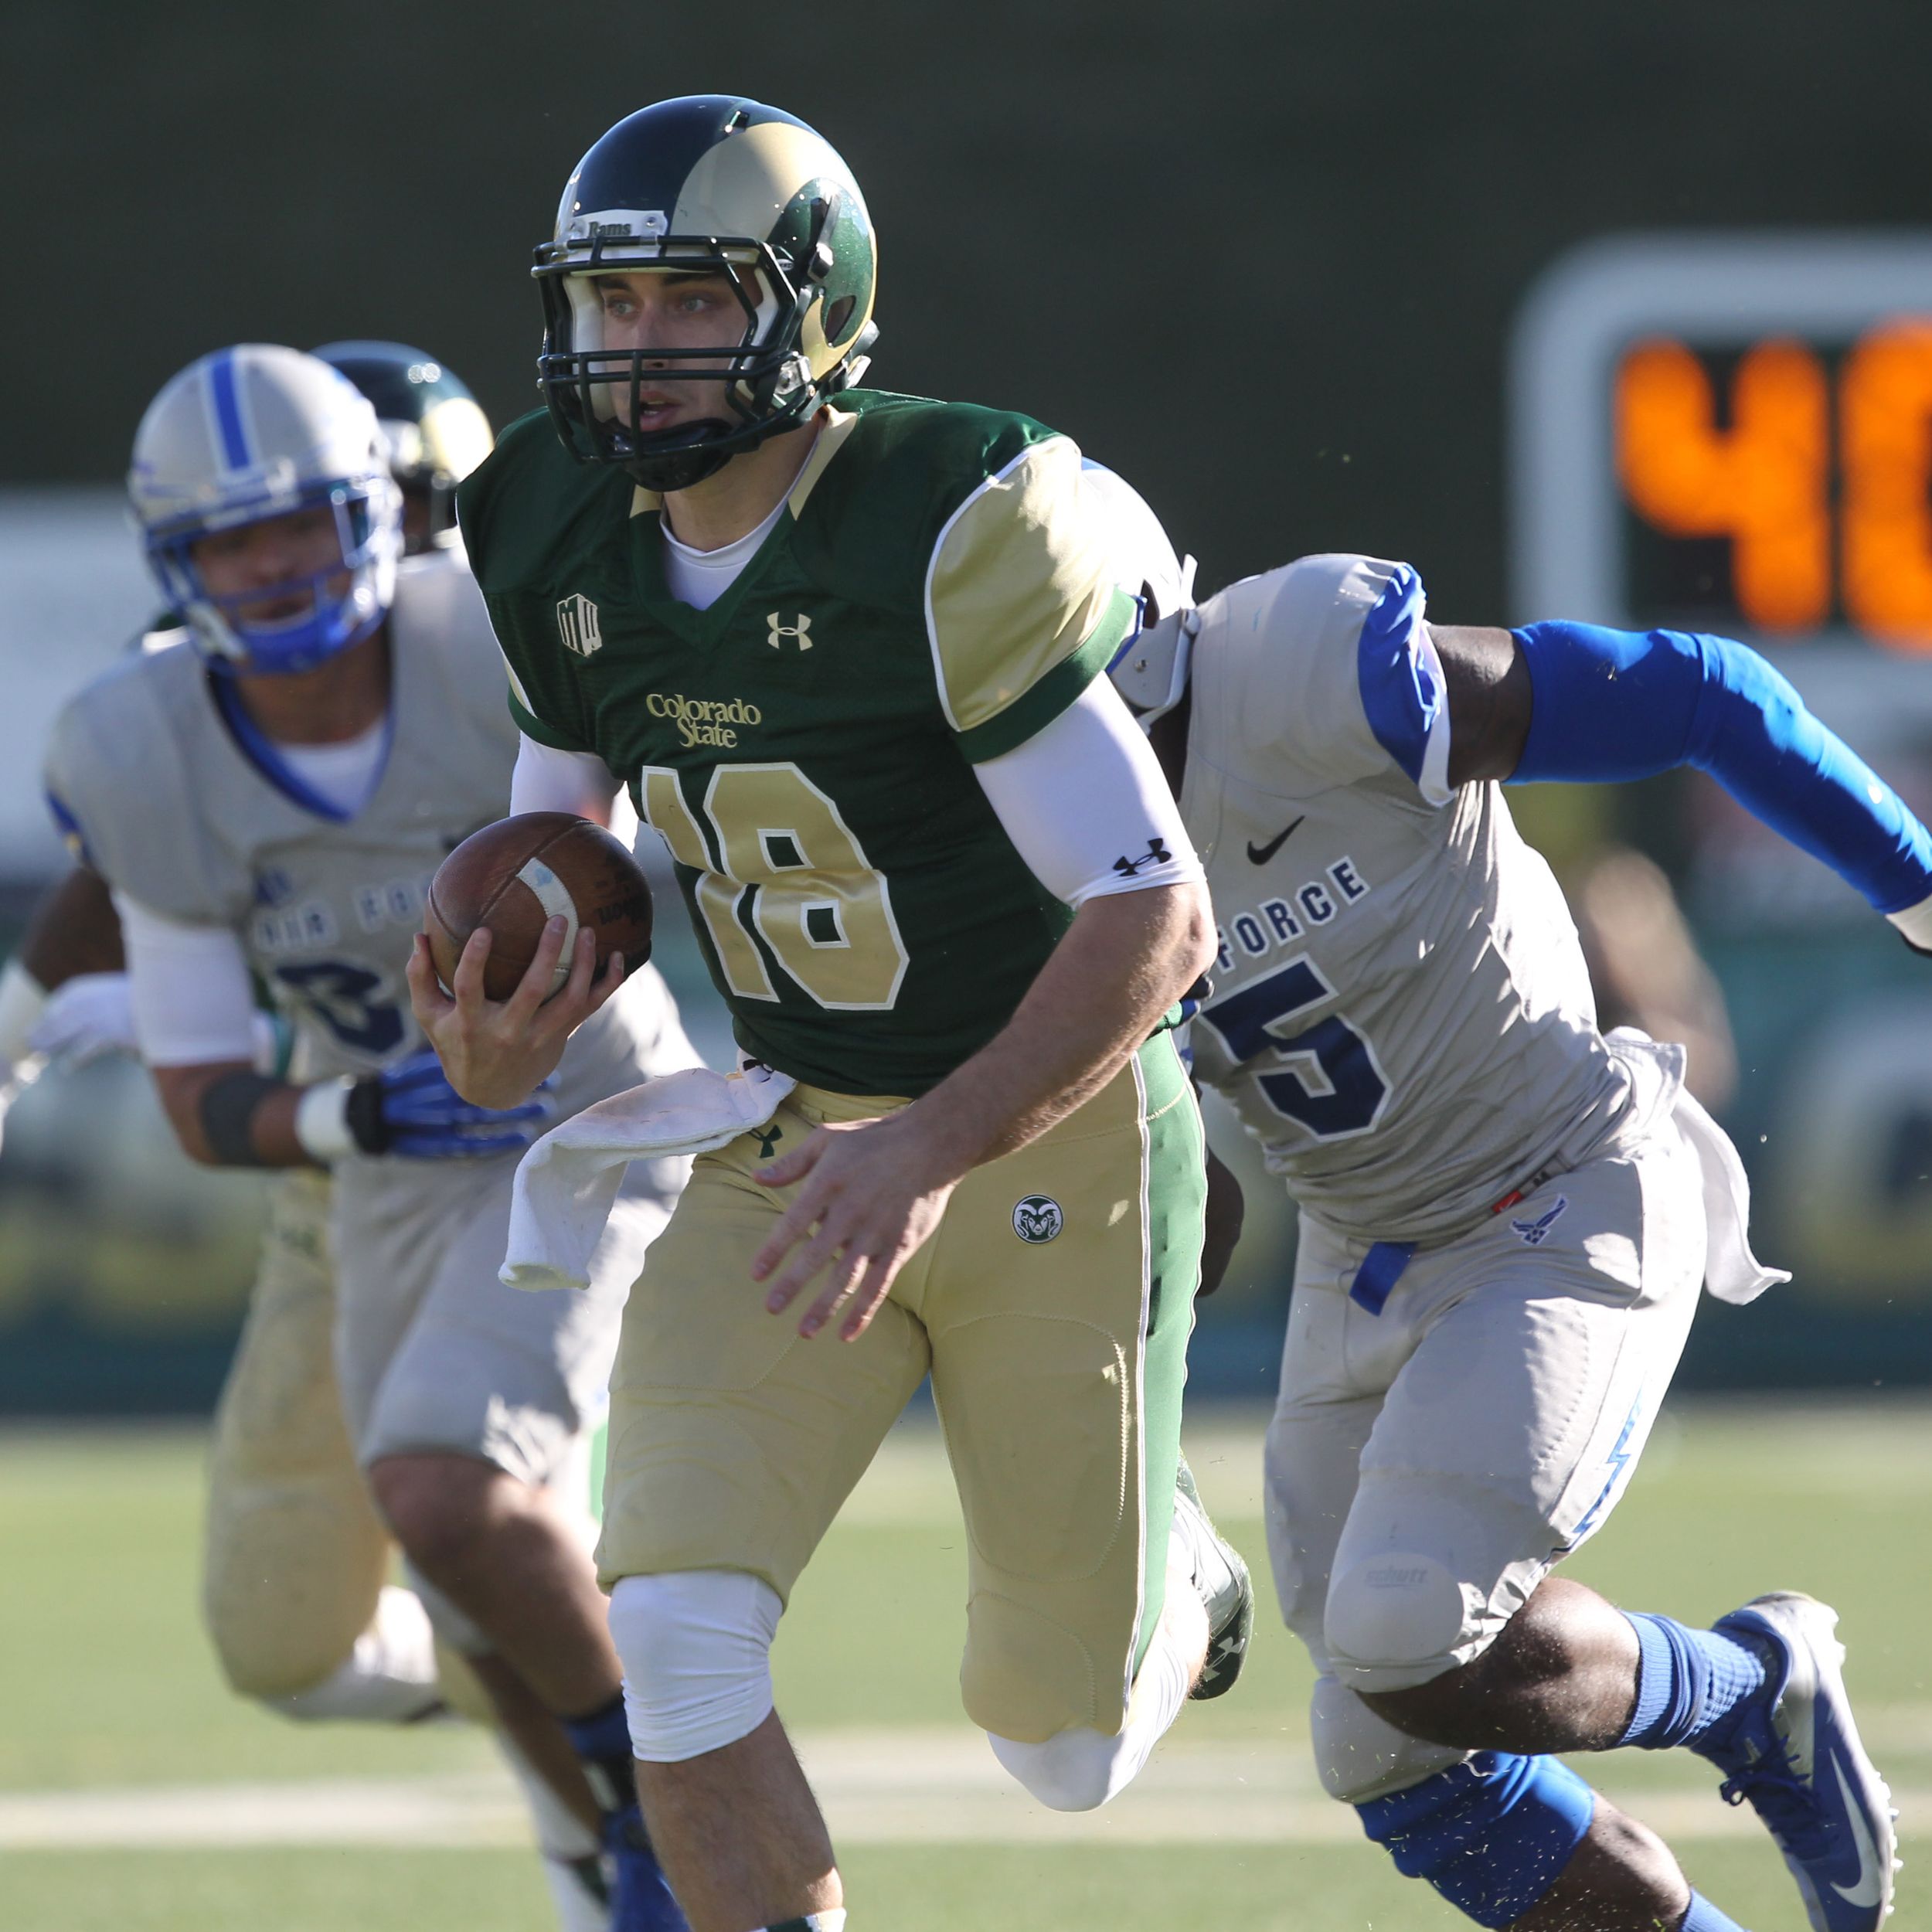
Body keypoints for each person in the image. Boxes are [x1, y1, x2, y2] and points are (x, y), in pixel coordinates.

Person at [410, 94, 1248, 1932]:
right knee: (679, 1636)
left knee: (1057, 1740)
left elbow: (1155, 909)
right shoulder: (556, 527)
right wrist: (501, 1021)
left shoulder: (944, 523)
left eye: (687, 302)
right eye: (606, 308)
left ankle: (1175, 1570)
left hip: (1051, 1132)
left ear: (809, 308)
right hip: (793, 1124)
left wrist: (931, 1149)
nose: (634, 354)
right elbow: (566, 836)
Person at [1108, 555, 1917, 1932]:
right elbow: (1187, 1189)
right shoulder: (1022, 839)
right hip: (1361, 1239)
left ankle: (1750, 1687)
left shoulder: (1311, 674)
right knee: (1386, 1744)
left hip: (1561, 1182)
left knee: (1409, 1626)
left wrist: (1920, 892)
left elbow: (1701, 692)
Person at [40, 342, 697, 1932]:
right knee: (444, 1568)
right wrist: (351, 1108)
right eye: (230, 539)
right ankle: (635, 1805)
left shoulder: (490, 643)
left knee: (446, 1485)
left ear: (380, 516)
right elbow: (201, 1087)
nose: (272, 568)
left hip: (587, 1106)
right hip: (386, 1164)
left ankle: (654, 1795)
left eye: (304, 524)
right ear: (173, 562)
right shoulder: (143, 744)